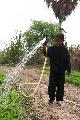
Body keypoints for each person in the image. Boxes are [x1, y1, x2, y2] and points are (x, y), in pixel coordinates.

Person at [43, 33, 71, 105]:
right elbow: (46, 54)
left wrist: (68, 69)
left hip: (61, 71)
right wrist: (44, 46)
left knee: (60, 86)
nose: (57, 42)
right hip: (53, 71)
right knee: (52, 86)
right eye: (56, 41)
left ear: (62, 41)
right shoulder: (51, 49)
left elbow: (68, 60)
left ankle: (59, 100)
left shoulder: (65, 50)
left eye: (59, 41)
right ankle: (51, 99)